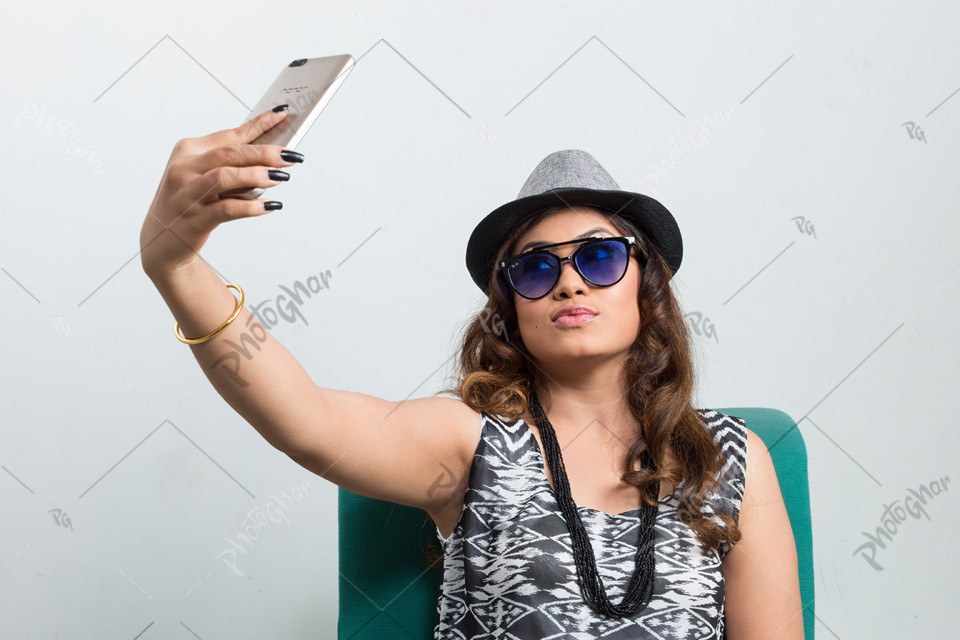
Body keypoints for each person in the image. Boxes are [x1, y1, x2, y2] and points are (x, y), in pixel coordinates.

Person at [140, 108, 803, 639]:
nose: (569, 281)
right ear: (512, 310)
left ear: (647, 290)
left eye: (599, 258)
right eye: (537, 269)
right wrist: (177, 267)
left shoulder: (729, 459)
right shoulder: (472, 441)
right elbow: (306, 419)